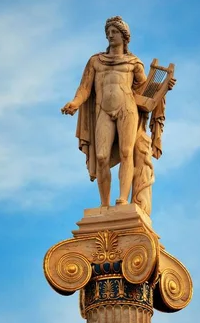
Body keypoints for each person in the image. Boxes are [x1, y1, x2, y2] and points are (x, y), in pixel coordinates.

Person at [61, 16, 148, 207]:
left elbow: (146, 90)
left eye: (114, 31)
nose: (110, 35)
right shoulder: (96, 61)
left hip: (127, 108)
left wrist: (165, 87)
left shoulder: (134, 62)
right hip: (103, 110)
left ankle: (123, 199)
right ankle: (104, 204)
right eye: (108, 32)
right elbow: (85, 87)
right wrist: (75, 103)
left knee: (126, 152)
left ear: (125, 37)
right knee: (101, 157)